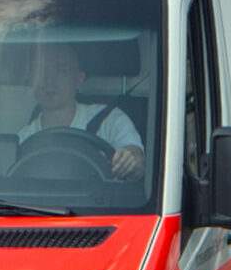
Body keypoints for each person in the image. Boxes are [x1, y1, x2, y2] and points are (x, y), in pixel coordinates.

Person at [17, 43, 143, 179]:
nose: (49, 79)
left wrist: (129, 160)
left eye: (61, 70)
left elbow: (139, 164)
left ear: (79, 79)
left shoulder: (111, 120)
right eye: (41, 71)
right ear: (31, 80)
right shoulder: (24, 139)